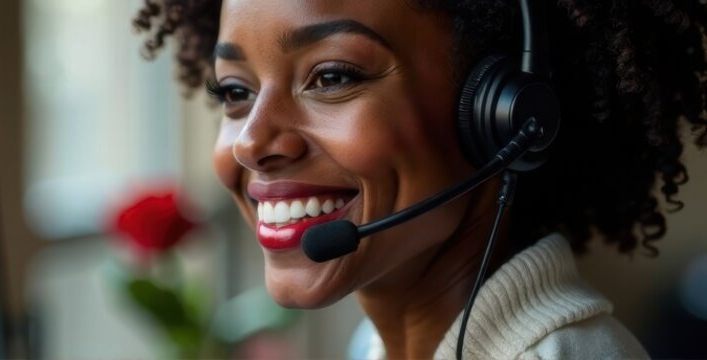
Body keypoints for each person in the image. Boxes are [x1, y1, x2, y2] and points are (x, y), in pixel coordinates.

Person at [134, 0, 706, 359]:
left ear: (501, 115)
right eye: (235, 92)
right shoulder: (376, 348)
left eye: (331, 76)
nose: (253, 143)